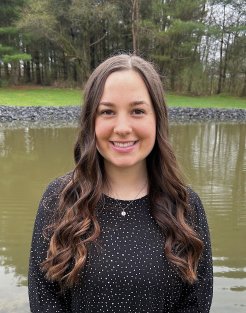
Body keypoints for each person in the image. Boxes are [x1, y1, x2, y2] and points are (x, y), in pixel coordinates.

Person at [28, 54, 213, 312]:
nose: (123, 127)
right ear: (90, 121)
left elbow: (196, 303)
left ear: (157, 118)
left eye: (137, 111)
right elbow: (44, 299)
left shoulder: (186, 206)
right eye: (107, 112)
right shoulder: (58, 199)